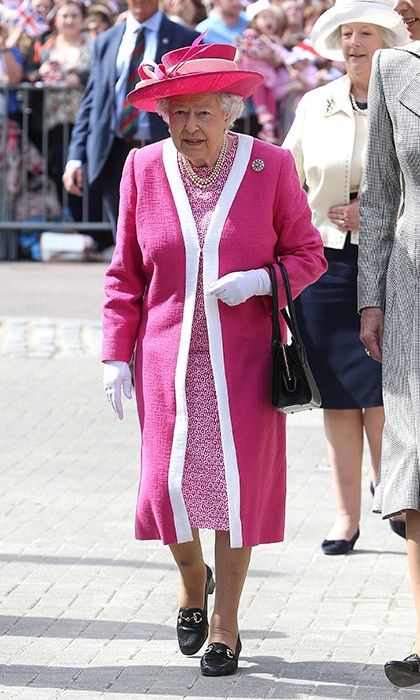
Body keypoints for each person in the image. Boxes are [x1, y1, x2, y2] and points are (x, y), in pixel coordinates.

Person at [101, 40, 326, 676]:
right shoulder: (143, 168)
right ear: (163, 118)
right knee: (167, 487)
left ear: (230, 113)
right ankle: (189, 577)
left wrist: (262, 282)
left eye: (203, 113)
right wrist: (116, 352)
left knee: (235, 492)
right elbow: (125, 273)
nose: (190, 127)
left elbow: (307, 254)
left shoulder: (270, 167)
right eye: (178, 115)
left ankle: (226, 621)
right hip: (168, 357)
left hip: (245, 361)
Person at [283, 0, 407, 555]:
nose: (355, 43)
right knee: (336, 393)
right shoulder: (315, 103)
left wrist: (378, 210)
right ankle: (344, 514)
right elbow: (286, 175)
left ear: (387, 40)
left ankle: (396, 497)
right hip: (323, 264)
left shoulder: (408, 97)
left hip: (390, 259)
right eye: (347, 33)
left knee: (381, 388)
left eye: (366, 33)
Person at [358, 0, 420, 686]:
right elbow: (379, 192)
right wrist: (369, 296)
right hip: (412, 288)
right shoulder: (391, 69)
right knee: (419, 466)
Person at [62, 0, 198, 239]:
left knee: (165, 234)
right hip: (114, 150)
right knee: (124, 237)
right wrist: (75, 156)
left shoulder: (184, 38)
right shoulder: (106, 40)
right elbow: (92, 101)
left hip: (164, 148)